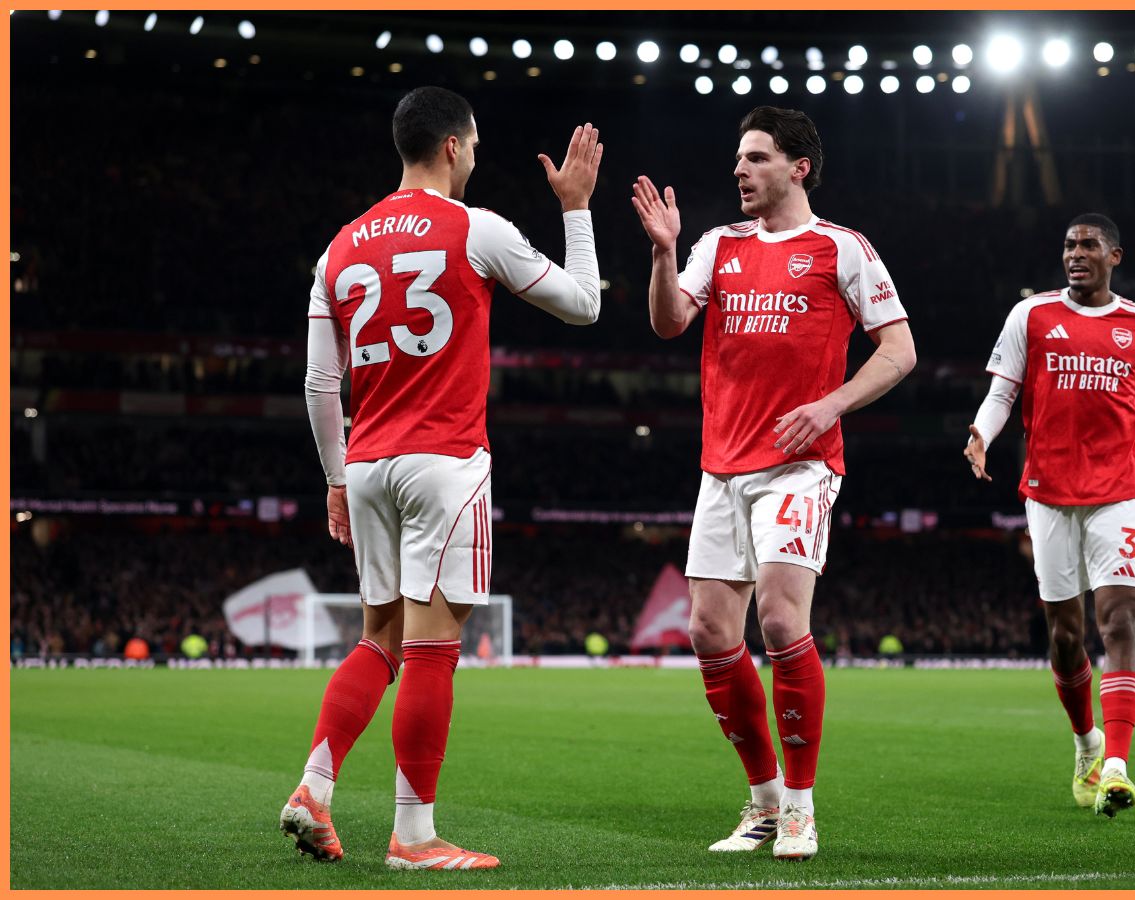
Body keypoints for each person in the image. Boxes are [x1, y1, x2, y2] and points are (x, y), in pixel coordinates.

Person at [281, 86, 604, 869]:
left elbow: (321, 388)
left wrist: (333, 478)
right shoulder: (475, 228)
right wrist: (577, 208)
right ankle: (414, 836)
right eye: (477, 147)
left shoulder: (339, 247)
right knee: (433, 649)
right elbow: (585, 305)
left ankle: (314, 788)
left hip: (365, 467)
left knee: (379, 640)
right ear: (454, 146)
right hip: (445, 462)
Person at [631, 106, 916, 860]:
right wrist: (663, 255)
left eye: (755, 158)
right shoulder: (716, 245)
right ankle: (759, 803)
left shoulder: (839, 248)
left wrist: (831, 402)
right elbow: (667, 325)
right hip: (720, 466)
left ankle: (799, 806)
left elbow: (899, 350)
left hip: (800, 463)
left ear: (799, 168)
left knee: (782, 623)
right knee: (707, 631)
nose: (738, 171)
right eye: (737, 159)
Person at [963, 214, 1135, 819]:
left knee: (1120, 621)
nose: (1075, 254)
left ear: (1114, 256)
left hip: (1120, 493)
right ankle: (1086, 746)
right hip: (1049, 494)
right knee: (1065, 636)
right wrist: (982, 433)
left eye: (1088, 246)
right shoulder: (1031, 317)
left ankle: (1118, 768)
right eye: (1069, 246)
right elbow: (1003, 392)